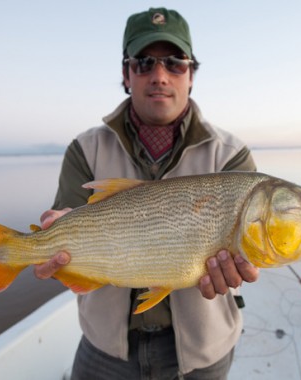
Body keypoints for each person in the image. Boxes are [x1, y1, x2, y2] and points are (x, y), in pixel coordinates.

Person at [34, 7, 259, 379]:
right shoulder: (85, 148)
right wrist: (49, 246)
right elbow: (63, 231)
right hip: (106, 348)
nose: (159, 76)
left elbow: (246, 253)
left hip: (202, 351)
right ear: (126, 74)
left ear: (191, 75)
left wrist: (243, 264)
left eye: (175, 63)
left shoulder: (230, 154)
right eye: (143, 63)